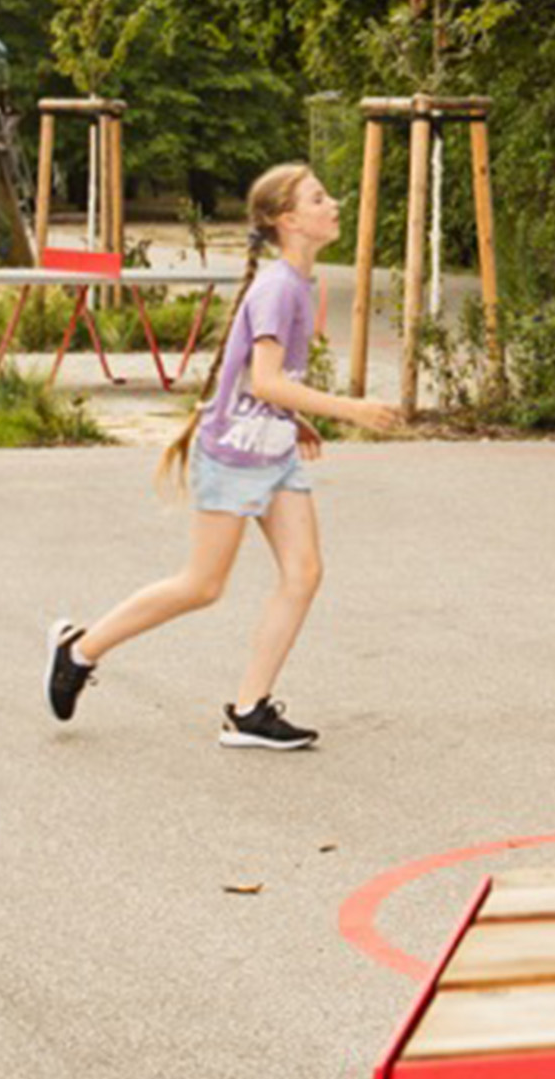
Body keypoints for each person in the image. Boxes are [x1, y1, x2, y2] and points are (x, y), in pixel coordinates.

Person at [43, 161, 404, 748]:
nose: (334, 203)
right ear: (290, 220)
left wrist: (296, 416)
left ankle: (248, 710)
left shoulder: (298, 282)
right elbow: (264, 381)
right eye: (319, 198)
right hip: (234, 455)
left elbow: (265, 383)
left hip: (272, 449)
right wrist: (350, 409)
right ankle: (78, 651)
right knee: (202, 586)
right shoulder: (278, 288)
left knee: (304, 571)